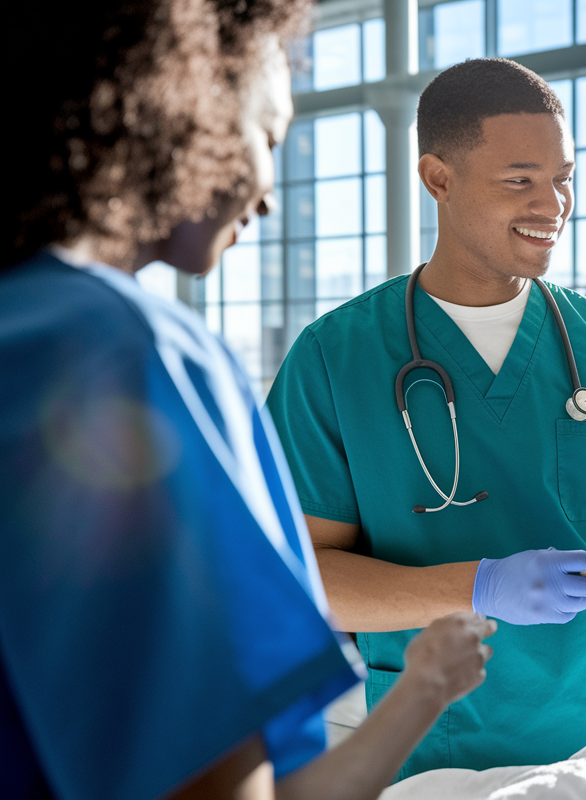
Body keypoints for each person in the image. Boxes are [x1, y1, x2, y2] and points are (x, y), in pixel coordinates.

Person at [1, 3, 494, 799]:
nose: (269, 192)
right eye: (268, 139)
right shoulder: (129, 353)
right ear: (176, 104)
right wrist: (427, 685)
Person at [265, 58, 586, 778]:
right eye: (521, 180)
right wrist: (478, 586)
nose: (554, 205)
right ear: (438, 179)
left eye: (563, 177)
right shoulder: (336, 358)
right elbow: (307, 577)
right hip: (439, 747)